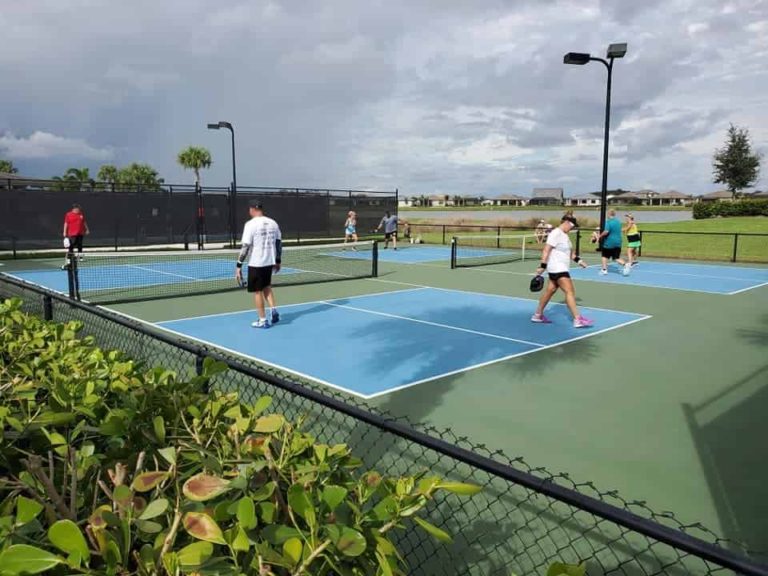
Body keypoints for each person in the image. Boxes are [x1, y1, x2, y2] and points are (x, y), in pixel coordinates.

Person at [531, 214, 593, 328]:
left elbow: (571, 254)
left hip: (559, 268)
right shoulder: (555, 233)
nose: (572, 228)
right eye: (572, 226)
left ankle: (537, 315)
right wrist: (542, 266)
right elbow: (546, 250)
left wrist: (580, 261)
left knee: (550, 291)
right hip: (558, 268)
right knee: (570, 292)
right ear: (566, 223)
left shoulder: (565, 236)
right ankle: (577, 319)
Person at [235, 201, 282, 329]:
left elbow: (245, 247)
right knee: (267, 286)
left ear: (252, 209)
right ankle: (273, 310)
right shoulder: (273, 223)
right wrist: (278, 261)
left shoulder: (250, 224)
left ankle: (262, 320)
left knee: (257, 291)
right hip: (269, 262)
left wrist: (238, 266)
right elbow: (278, 244)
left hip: (256, 263)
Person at [598, 209, 630, 276]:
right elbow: (619, 230)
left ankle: (604, 270)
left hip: (609, 242)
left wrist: (600, 236)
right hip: (618, 242)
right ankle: (625, 264)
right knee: (616, 258)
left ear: (609, 214)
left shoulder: (608, 222)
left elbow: (606, 231)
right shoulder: (618, 222)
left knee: (604, 256)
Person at [62, 203, 89, 268]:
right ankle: (69, 259)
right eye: (78, 209)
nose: (79, 210)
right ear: (74, 209)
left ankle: (80, 258)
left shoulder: (81, 214)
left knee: (80, 246)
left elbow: (84, 222)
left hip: (80, 233)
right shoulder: (68, 214)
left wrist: (87, 229)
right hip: (72, 234)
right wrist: (64, 232)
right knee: (71, 247)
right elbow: (66, 223)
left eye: (79, 209)